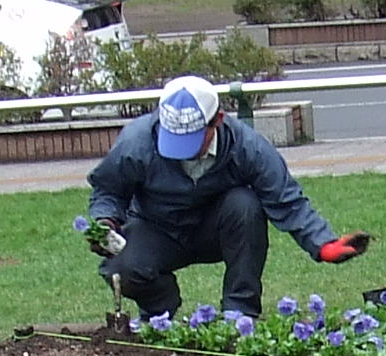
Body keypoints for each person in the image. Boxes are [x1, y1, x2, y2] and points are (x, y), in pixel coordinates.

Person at [82, 75, 369, 320]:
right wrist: (105, 221)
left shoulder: (247, 146)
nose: (184, 150)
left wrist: (324, 244)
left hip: (216, 230)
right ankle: (160, 310)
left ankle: (240, 312)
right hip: (156, 228)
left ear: (217, 120)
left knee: (245, 204)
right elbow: (108, 189)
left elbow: (286, 198)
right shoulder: (137, 141)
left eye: (193, 138)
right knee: (122, 268)